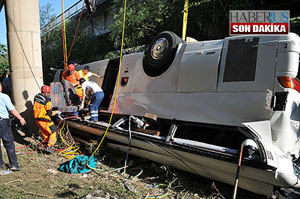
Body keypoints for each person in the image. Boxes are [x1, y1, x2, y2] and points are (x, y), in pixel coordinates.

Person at [0, 82, 26, 171]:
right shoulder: (4, 97)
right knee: (9, 143)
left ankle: (0, 164)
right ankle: (14, 164)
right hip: (2, 121)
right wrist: (20, 118)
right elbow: (12, 110)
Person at [33, 85, 61, 153]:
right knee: (54, 132)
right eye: (48, 93)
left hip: (37, 119)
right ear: (46, 93)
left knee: (46, 134)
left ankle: (44, 146)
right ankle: (49, 146)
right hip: (44, 119)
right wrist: (56, 112)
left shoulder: (36, 97)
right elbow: (49, 112)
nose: (49, 94)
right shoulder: (47, 100)